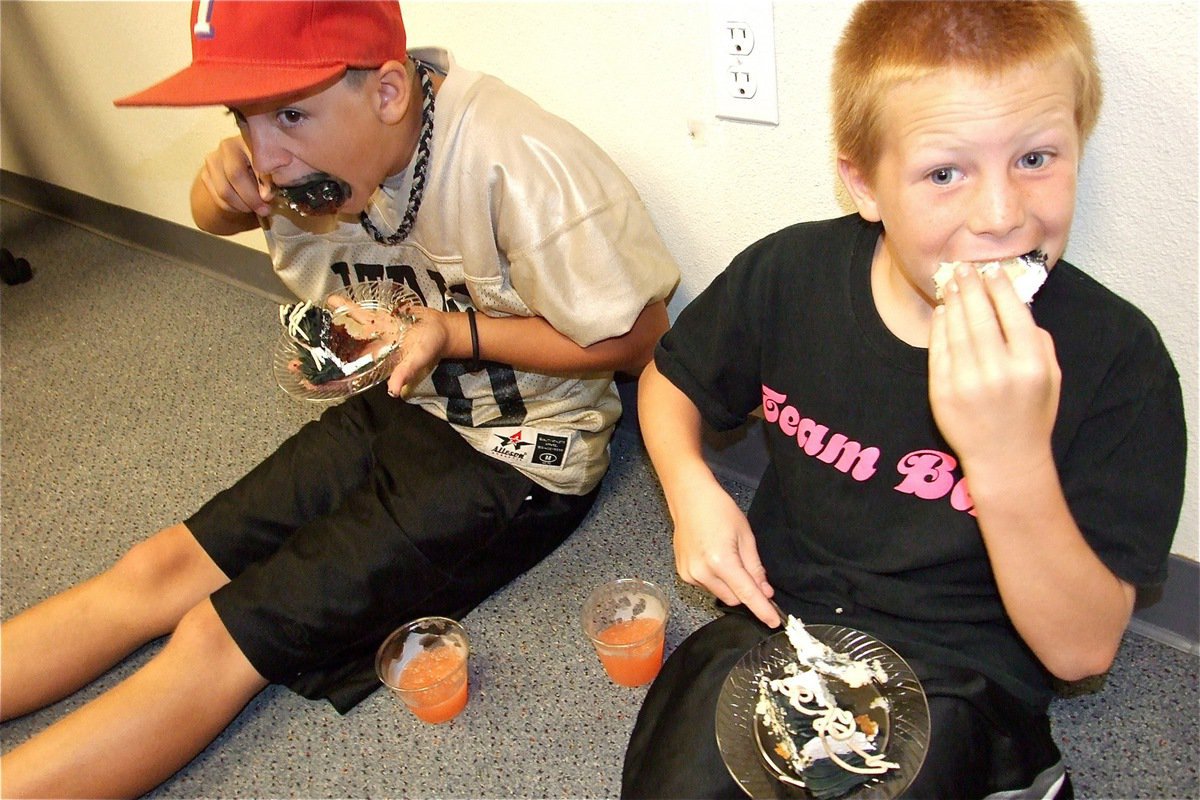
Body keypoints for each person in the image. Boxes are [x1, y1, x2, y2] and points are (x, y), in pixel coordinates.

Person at [0, 1, 679, 797]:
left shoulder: (519, 159)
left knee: (216, 639)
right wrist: (216, 195)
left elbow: (641, 338)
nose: (266, 155)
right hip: (406, 400)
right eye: (242, 120)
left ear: (389, 94)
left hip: (518, 457)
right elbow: (221, 212)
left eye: (289, 114)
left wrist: (455, 334)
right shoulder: (310, 157)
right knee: (155, 569)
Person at [623, 2, 1185, 798]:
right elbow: (668, 381)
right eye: (945, 172)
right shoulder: (791, 276)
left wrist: (1007, 456)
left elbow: (1083, 653)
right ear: (864, 182)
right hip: (787, 623)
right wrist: (690, 490)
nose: (1001, 216)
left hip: (968, 668)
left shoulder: (1119, 361)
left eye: (1036, 158)